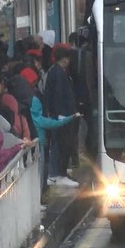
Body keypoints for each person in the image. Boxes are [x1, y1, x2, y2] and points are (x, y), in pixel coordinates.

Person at [45, 45, 80, 188]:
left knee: (60, 144)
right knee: (62, 144)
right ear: (65, 59)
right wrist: (61, 115)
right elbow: (59, 95)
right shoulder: (59, 74)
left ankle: (59, 172)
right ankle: (59, 174)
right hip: (63, 116)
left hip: (61, 115)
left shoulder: (54, 71)